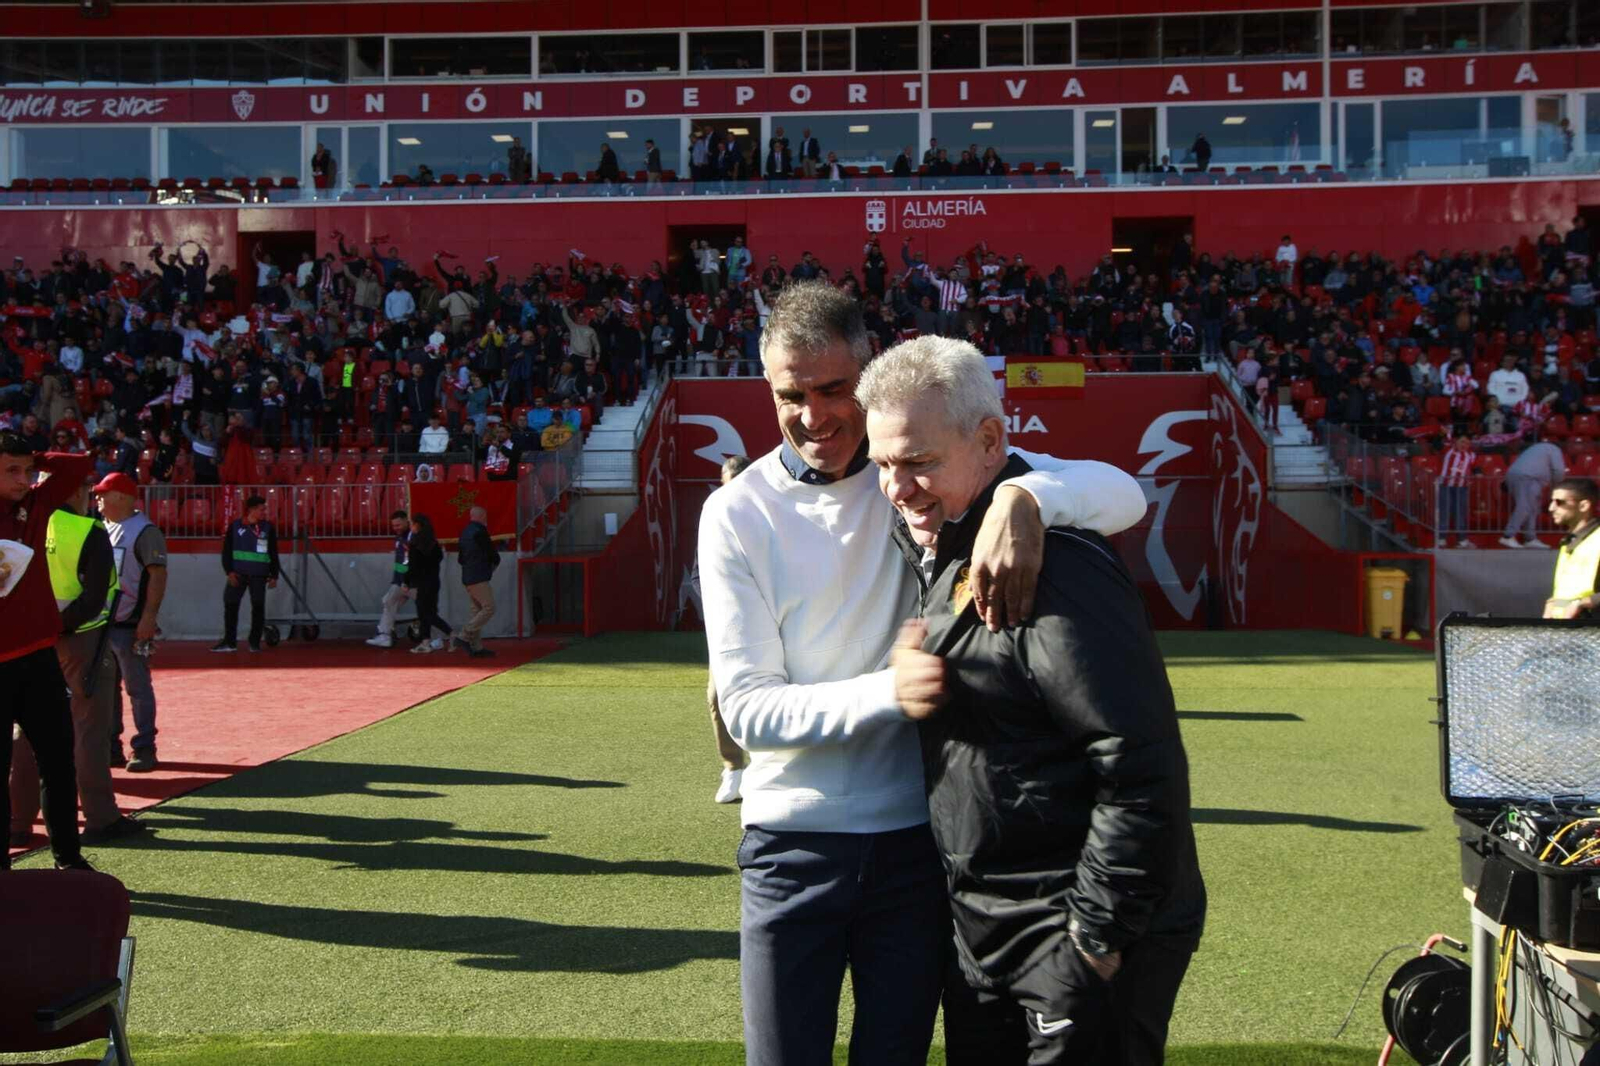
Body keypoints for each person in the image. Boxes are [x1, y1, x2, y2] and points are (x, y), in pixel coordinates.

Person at [697, 282, 1148, 1066]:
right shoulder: (736, 512)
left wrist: (1024, 496)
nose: (814, 415)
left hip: (917, 845)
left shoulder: (909, 471)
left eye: (834, 389)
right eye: (790, 395)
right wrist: (890, 693)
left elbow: (1123, 493)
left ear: (868, 372)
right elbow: (746, 711)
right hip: (788, 846)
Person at [858, 336, 1205, 1066]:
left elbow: (1138, 764)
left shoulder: (1053, 562)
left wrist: (1094, 939)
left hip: (1067, 931)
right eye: (883, 464)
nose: (896, 488)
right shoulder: (947, 536)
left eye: (918, 462)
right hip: (987, 928)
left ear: (991, 442)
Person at [10, 473, 142, 849]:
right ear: (75, 491)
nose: (90, 497)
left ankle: (17, 821)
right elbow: (95, 596)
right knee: (88, 730)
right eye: (87, 489)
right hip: (81, 639)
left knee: (25, 732)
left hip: (29, 641)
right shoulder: (87, 530)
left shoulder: (22, 525)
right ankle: (100, 817)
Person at [0, 432, 94, 870]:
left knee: (58, 761)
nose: (24, 479)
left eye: (27, 471)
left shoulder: (36, 504)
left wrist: (32, 457)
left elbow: (78, 466)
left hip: (39, 658)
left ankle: (69, 859)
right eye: (11, 471)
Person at [94, 472, 168, 774]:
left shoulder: (145, 532)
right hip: (105, 624)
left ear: (122, 498)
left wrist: (148, 617)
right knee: (107, 689)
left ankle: (145, 746)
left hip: (130, 625)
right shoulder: (105, 527)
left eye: (103, 494)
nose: (98, 499)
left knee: (137, 688)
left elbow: (158, 575)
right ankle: (111, 746)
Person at [703, 455, 752, 804]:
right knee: (717, 695)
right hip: (726, 622)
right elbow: (699, 572)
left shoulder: (770, 513)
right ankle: (733, 767)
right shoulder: (713, 515)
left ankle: (771, 767)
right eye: (725, 484)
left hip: (772, 618)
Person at [213, 494, 281, 653]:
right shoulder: (235, 526)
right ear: (251, 510)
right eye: (261, 509)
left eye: (264, 509)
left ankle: (254, 643)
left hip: (259, 575)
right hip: (238, 574)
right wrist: (229, 572)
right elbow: (227, 551)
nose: (264, 512)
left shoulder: (268, 528)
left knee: (258, 607)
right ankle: (230, 642)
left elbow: (273, 552)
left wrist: (274, 575)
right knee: (231, 605)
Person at [1544, 478, 1600, 618]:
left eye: (1559, 502)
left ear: (1583, 506)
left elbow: (1580, 599)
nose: (1551, 508)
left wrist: (1584, 603)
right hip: (1569, 626)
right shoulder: (1569, 541)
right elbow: (1570, 592)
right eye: (1551, 501)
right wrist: (1553, 603)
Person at [1500, 437, 1565, 549]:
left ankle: (1530, 538)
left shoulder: (1537, 447)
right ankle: (1508, 535)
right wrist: (1557, 487)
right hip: (1528, 477)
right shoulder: (1554, 449)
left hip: (1524, 477)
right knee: (1524, 506)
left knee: (1532, 508)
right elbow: (1558, 470)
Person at [452, 505, 498, 657]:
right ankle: (463, 636)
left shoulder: (464, 532)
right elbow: (492, 553)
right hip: (479, 576)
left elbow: (460, 559)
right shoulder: (480, 532)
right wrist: (493, 565)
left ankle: (476, 647)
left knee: (476, 611)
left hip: (468, 577)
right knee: (489, 608)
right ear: (483, 517)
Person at [405, 514, 451, 653]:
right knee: (428, 612)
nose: (410, 526)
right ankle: (426, 642)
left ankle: (451, 633)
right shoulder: (434, 544)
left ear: (417, 525)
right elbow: (438, 560)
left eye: (412, 524)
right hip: (434, 581)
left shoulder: (415, 544)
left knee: (426, 613)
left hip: (421, 582)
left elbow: (412, 566)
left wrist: (406, 582)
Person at [367, 510, 413, 648]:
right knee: (388, 602)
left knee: (427, 609)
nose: (396, 528)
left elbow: (409, 560)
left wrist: (405, 579)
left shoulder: (412, 536)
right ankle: (384, 635)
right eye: (393, 526)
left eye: (398, 525)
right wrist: (397, 580)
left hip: (413, 581)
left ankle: (437, 637)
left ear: (406, 521)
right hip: (401, 581)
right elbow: (400, 561)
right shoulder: (399, 538)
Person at [1438, 434, 1478, 547]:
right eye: (1462, 442)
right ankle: (1441, 539)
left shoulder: (1472, 455)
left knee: (1460, 513)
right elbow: (1438, 442)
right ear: (1456, 442)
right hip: (1446, 486)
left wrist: (1478, 472)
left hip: (1462, 488)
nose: (1464, 445)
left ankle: (1462, 540)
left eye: (1467, 443)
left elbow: (1475, 467)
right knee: (1444, 512)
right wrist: (1443, 432)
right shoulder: (1447, 449)